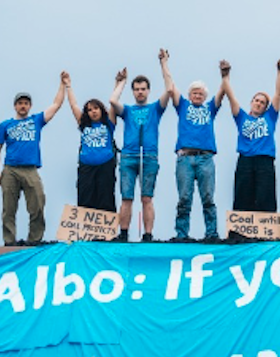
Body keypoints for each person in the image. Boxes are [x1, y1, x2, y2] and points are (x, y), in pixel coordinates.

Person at [0, 73, 65, 246]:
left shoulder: (36, 120)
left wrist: (63, 85)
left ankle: (34, 240)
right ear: (15, 106)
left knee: (38, 204)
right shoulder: (5, 125)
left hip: (30, 169)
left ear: (30, 106)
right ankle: (9, 242)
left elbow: (56, 105)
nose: (23, 106)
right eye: (20, 103)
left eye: (25, 103)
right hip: (10, 169)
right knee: (9, 208)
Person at [161, 49, 225, 240]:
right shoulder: (183, 106)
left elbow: (222, 93)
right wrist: (164, 63)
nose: (197, 96)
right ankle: (181, 235)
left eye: (201, 94)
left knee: (208, 198)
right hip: (185, 158)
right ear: (189, 95)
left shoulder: (210, 108)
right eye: (194, 93)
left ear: (205, 97)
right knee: (184, 199)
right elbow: (170, 87)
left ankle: (211, 234)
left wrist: (224, 75)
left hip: (205, 158)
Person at [109, 51, 171, 242]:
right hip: (129, 156)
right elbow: (112, 101)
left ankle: (148, 235)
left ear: (148, 90)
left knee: (147, 198)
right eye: (136, 89)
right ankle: (124, 233)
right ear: (133, 91)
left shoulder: (155, 108)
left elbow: (169, 90)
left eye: (143, 89)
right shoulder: (127, 110)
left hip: (149, 156)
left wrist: (163, 64)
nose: (140, 92)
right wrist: (121, 83)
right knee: (127, 198)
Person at [223, 59, 280, 212]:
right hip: (245, 161)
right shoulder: (242, 117)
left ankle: (267, 232)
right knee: (243, 195)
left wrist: (279, 72)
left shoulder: (270, 117)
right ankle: (241, 233)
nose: (258, 103)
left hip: (264, 161)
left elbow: (278, 94)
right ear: (251, 102)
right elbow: (231, 97)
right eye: (256, 100)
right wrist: (225, 76)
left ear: (265, 107)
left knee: (265, 196)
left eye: (262, 102)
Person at [64, 72, 117, 213]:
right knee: (85, 199)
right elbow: (73, 104)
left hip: (105, 165)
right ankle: (86, 234)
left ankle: (107, 234)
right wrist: (68, 85)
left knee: (105, 198)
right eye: (89, 110)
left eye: (96, 108)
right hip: (86, 166)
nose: (93, 112)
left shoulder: (109, 124)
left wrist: (118, 83)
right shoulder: (84, 125)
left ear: (101, 109)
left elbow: (113, 103)